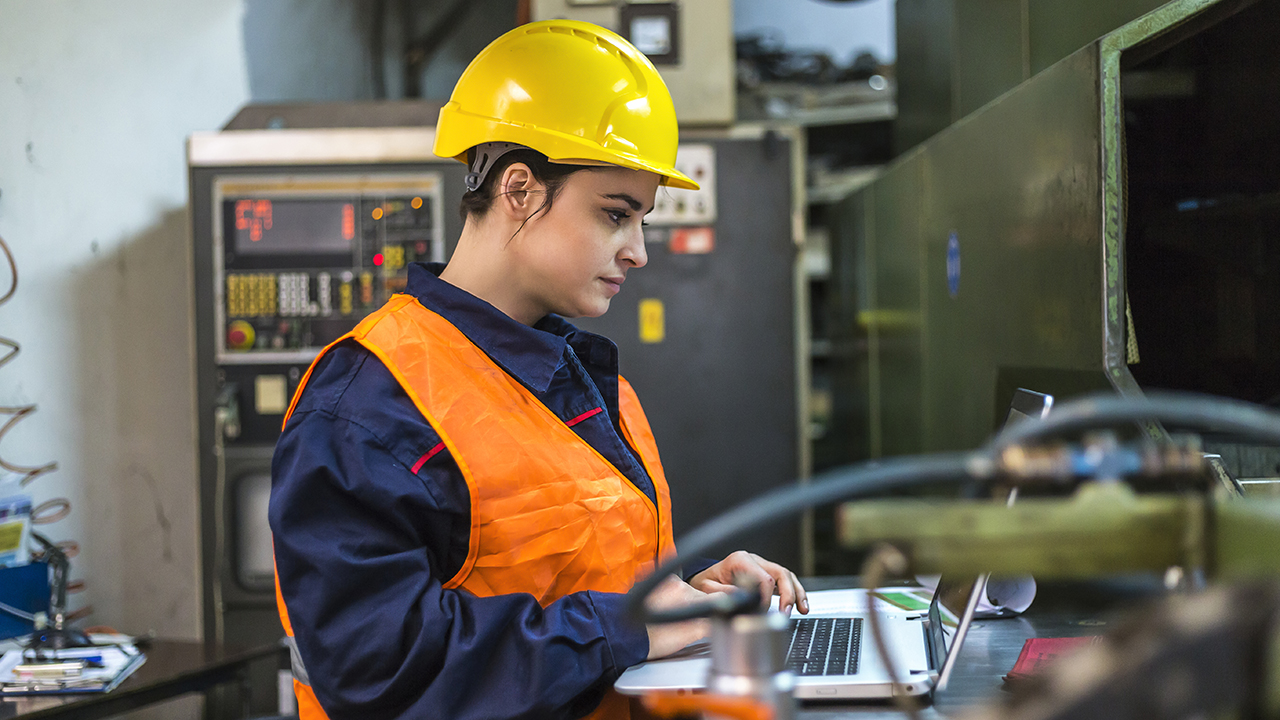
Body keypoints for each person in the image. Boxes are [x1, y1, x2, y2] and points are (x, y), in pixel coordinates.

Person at [270, 19, 807, 720]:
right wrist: (633, 625)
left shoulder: (573, 376)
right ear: (519, 190)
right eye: (615, 214)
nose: (638, 250)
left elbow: (582, 589)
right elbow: (382, 675)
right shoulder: (367, 406)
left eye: (642, 218)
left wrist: (696, 604)